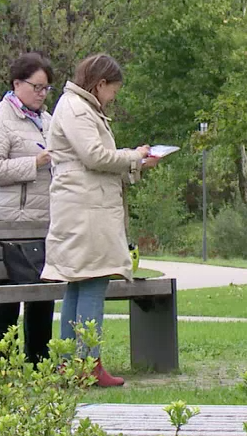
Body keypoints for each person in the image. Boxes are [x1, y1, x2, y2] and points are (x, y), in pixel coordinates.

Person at [40, 54, 161, 387]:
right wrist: (134, 156)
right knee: (92, 280)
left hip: (85, 206)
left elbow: (96, 160)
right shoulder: (77, 108)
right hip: (85, 210)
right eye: (113, 91)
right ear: (100, 83)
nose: (114, 98)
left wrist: (136, 164)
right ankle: (87, 364)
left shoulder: (79, 107)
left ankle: (71, 362)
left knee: (79, 283)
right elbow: (94, 156)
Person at [0, 52, 56, 365]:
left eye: (46, 88)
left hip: (44, 222)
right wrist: (32, 163)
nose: (41, 93)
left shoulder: (48, 122)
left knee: (43, 295)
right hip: (10, 223)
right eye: (36, 87)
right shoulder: (2, 119)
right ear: (17, 83)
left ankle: (39, 361)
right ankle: (5, 362)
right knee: (7, 299)